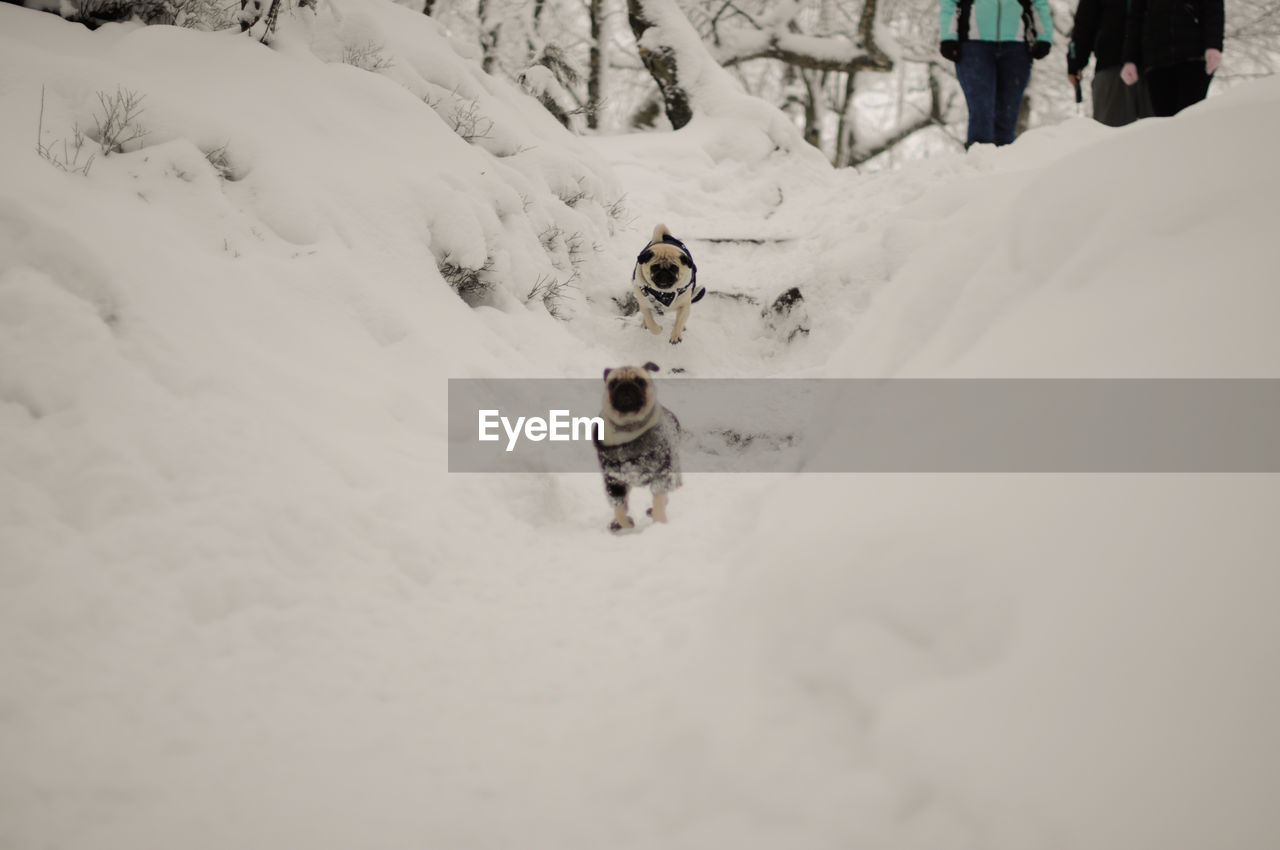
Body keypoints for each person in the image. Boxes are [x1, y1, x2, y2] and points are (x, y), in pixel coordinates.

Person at [939, 0, 1055, 147]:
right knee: (981, 112)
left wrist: (1044, 36)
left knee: (1007, 116)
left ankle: (1004, 165)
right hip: (973, 45)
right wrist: (948, 37)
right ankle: (980, 164)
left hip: (1017, 46)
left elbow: (1040, 3)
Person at [1120, 0, 1224, 117]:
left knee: (1190, 118)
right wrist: (1130, 60)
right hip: (1156, 62)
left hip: (1193, 59)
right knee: (1165, 121)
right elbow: (1135, 18)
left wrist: (1213, 46)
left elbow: (1214, 9)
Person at [1067, 0, 1152, 125]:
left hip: (1156, 65)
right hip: (1113, 64)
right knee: (1112, 132)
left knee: (1159, 131)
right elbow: (1085, 21)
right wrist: (1076, 61)